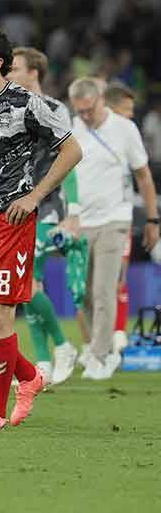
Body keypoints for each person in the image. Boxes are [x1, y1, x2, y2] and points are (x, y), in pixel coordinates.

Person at [0, 26, 81, 431]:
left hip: (12, 222)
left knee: (0, 314)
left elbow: (73, 149)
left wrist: (35, 196)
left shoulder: (28, 105)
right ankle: (28, 375)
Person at [68, 77, 158, 380]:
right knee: (83, 294)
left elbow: (143, 177)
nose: (85, 116)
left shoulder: (124, 129)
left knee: (104, 289)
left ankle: (99, 356)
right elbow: (68, 176)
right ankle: (98, 347)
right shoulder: (75, 127)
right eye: (79, 111)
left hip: (114, 219)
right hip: (82, 222)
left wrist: (152, 219)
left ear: (100, 100)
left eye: (88, 110)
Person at [7, 47, 83, 385]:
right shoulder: (7, 109)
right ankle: (43, 360)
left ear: (33, 72)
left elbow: (70, 160)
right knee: (26, 284)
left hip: (47, 204)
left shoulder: (53, 109)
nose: (8, 73)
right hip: (14, 204)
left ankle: (64, 346)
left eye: (15, 68)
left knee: (28, 284)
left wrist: (75, 212)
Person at [102, 80, 135, 350]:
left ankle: (118, 333)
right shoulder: (89, 136)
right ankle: (95, 341)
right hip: (91, 220)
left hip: (120, 217)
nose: (131, 115)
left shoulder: (128, 136)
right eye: (126, 110)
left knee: (118, 278)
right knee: (89, 289)